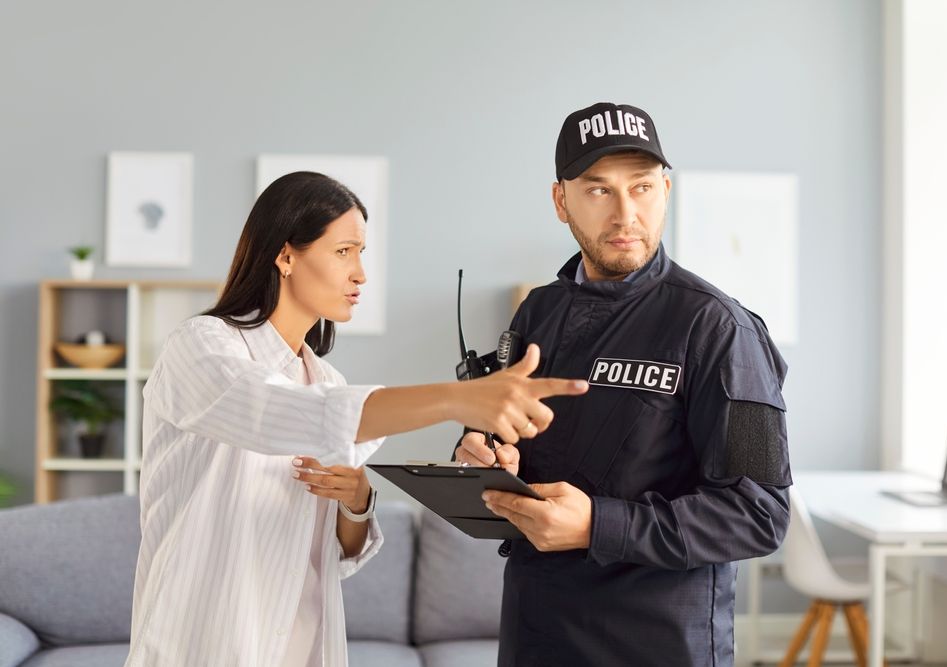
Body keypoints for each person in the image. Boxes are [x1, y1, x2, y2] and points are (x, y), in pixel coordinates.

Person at [125, 171, 588, 666]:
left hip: (301, 643)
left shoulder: (325, 378)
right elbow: (269, 412)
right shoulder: (201, 346)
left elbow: (336, 555)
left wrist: (358, 502)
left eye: (361, 252)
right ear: (285, 256)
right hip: (204, 642)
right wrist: (457, 399)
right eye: (344, 251)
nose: (361, 273)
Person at [455, 103, 792, 666]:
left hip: (658, 644)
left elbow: (759, 514)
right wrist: (484, 458)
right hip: (535, 634)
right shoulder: (535, 313)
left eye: (641, 188)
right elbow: (498, 441)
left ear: (666, 189)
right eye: (598, 191)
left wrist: (597, 525)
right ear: (561, 201)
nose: (625, 214)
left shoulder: (718, 328)